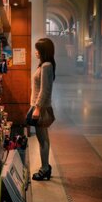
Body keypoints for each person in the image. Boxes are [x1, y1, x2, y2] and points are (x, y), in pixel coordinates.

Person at [29, 38, 56, 181]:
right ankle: (46, 166)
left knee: (42, 139)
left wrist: (37, 108)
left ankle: (44, 168)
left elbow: (45, 90)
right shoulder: (44, 65)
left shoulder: (46, 66)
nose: (35, 52)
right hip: (39, 106)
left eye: (38, 49)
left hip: (41, 107)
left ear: (43, 51)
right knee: (44, 138)